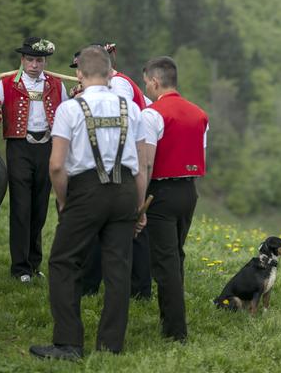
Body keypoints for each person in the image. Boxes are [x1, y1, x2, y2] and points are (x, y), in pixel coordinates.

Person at [29, 45, 147, 360]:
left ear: (79, 74)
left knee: (63, 261)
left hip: (86, 189)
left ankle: (68, 342)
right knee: (118, 267)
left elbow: (56, 165)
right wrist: (139, 207)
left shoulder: (70, 109)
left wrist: (64, 201)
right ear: (109, 73)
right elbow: (142, 164)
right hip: (124, 189)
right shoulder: (130, 108)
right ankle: (111, 345)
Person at [70, 47, 151, 300]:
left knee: (123, 235)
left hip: (117, 168)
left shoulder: (119, 87)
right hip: (125, 168)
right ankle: (117, 291)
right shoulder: (112, 91)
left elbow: (113, 129)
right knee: (119, 237)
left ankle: (132, 289)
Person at [140, 56, 208, 342]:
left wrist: (139, 201)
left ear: (155, 82)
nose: (147, 88)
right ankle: (170, 319)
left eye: (147, 83)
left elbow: (146, 163)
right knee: (176, 255)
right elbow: (199, 152)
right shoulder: (200, 114)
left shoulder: (152, 114)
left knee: (165, 262)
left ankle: (175, 331)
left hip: (161, 192)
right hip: (189, 191)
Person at [0, 37, 67, 283]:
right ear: (22, 60)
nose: (34, 65)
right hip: (19, 148)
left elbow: (67, 116)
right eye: (30, 60)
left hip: (47, 147)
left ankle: (34, 263)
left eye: (39, 60)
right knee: (21, 207)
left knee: (39, 207)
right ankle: (20, 268)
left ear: (45, 61)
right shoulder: (5, 84)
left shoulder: (57, 85)